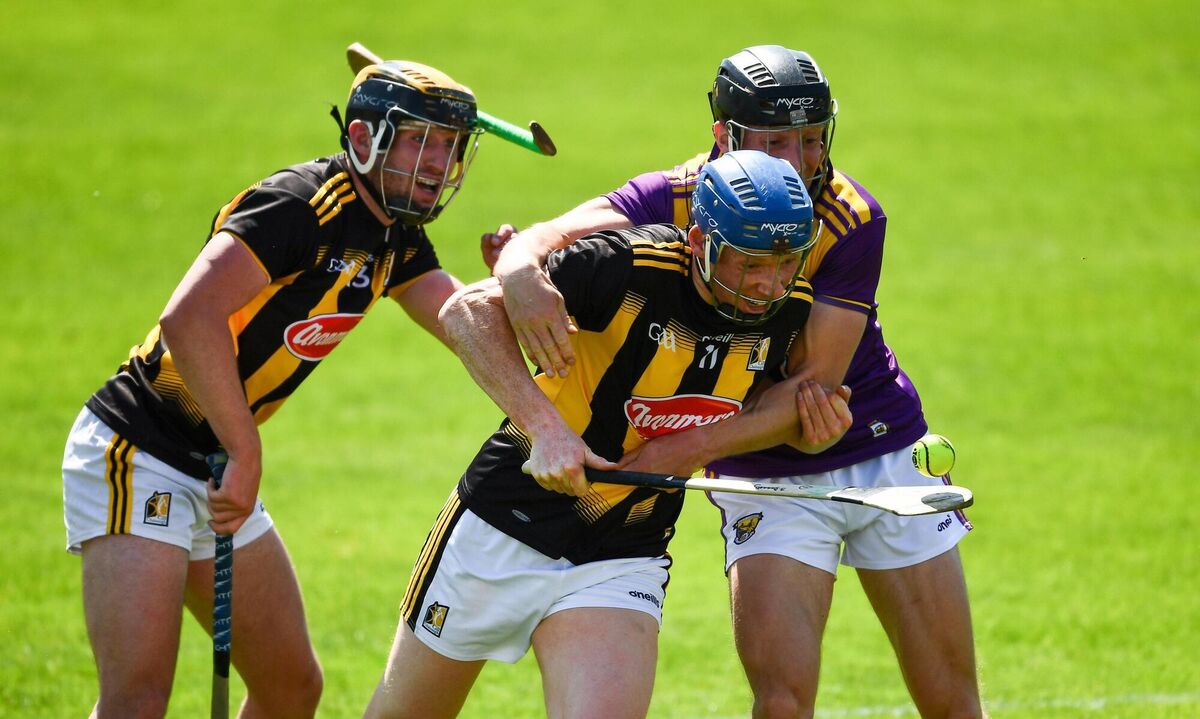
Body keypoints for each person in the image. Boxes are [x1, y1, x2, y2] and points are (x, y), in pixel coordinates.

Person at [486, 46, 985, 718]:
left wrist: (680, 451)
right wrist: (520, 269)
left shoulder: (850, 216)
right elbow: (548, 237)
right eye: (777, 141)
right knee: (781, 702)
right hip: (764, 474)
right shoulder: (682, 194)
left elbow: (812, 388)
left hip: (877, 450)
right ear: (725, 135)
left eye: (812, 139)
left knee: (952, 701)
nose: (801, 161)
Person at [61, 58, 495, 718]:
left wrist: (510, 288)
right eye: (419, 140)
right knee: (138, 700)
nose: (437, 161)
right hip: (138, 448)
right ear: (362, 139)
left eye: (448, 144)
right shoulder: (299, 206)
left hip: (216, 465)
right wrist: (245, 449)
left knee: (291, 688)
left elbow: (457, 316)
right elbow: (189, 316)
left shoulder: (395, 236)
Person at [363, 151, 853, 719]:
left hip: (623, 553)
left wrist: (811, 430)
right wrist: (546, 431)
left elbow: (774, 407)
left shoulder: (790, 310)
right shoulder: (625, 267)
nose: (766, 283)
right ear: (698, 241)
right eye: (747, 263)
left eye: (785, 261)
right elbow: (465, 312)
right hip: (502, 527)